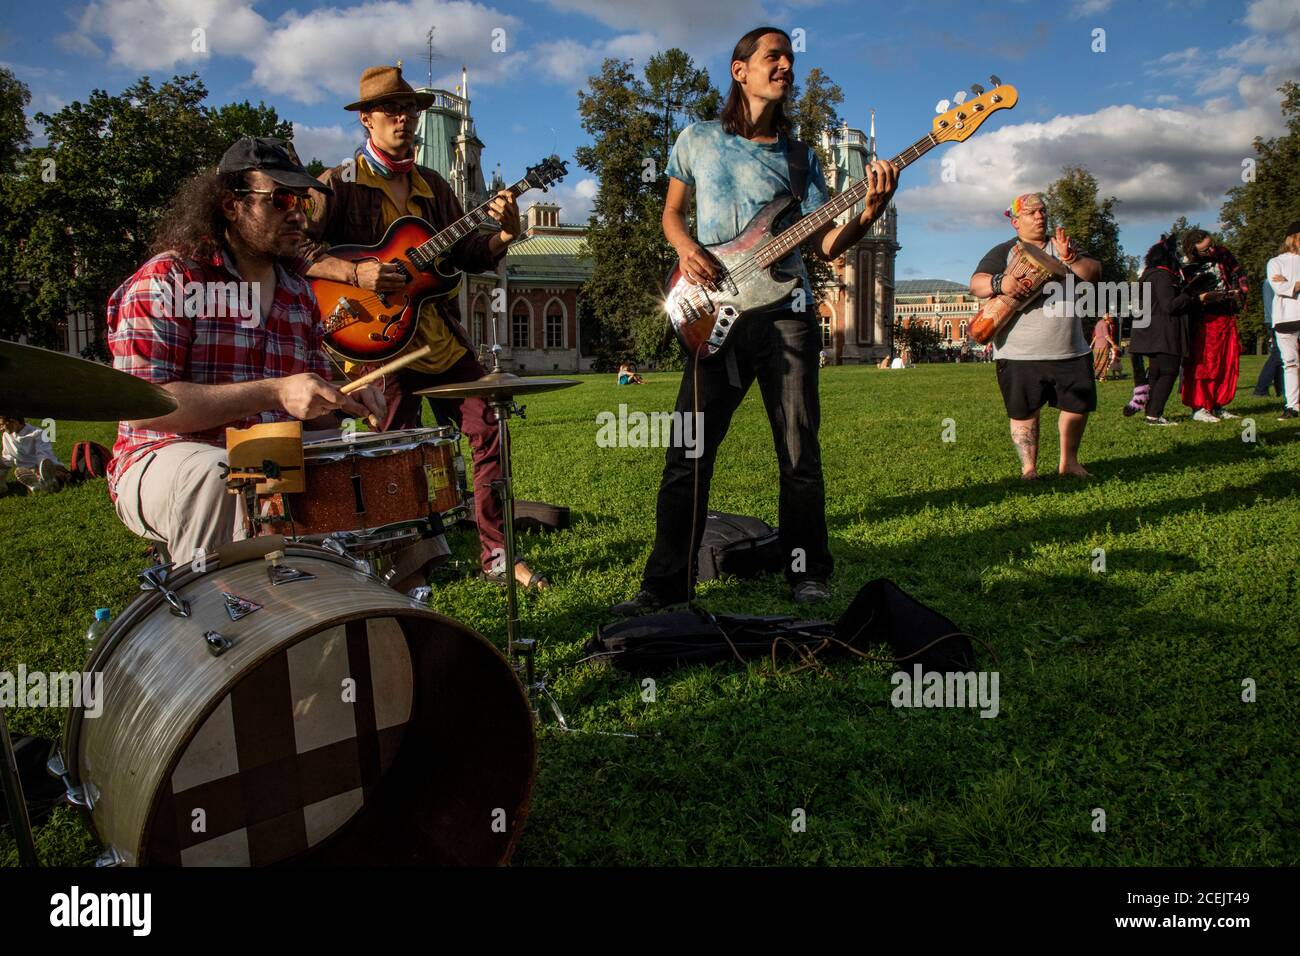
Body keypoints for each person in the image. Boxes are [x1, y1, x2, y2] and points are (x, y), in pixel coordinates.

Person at [612, 26, 898, 615]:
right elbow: (671, 213)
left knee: (798, 453)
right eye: (774, 57)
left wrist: (871, 209)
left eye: (791, 59)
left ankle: (808, 571)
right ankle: (665, 585)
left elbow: (825, 246)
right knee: (686, 454)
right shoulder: (696, 140)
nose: (786, 66)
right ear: (739, 69)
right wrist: (686, 248)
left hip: (785, 317)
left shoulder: (800, 158)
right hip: (711, 312)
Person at [303, 66, 546, 591]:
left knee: (489, 429)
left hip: (439, 340)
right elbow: (293, 247)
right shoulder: (336, 184)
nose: (403, 117)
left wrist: (504, 234)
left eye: (410, 109)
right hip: (378, 345)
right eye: (391, 109)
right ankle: (398, 569)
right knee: (393, 456)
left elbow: (468, 251)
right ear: (366, 119)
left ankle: (498, 554)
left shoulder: (432, 185)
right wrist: (355, 272)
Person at [106, 137, 386, 565]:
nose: (298, 214)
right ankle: (221, 619)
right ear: (231, 205)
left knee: (368, 467)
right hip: (163, 457)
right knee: (220, 476)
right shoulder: (170, 278)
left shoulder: (298, 294)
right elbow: (144, 404)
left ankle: (366, 612)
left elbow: (307, 406)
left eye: (303, 202)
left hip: (275, 457)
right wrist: (273, 392)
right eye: (280, 200)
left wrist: (345, 401)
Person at [970, 192, 1101, 479]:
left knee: (1077, 407)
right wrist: (1000, 282)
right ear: (1015, 222)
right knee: (1023, 412)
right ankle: (1029, 468)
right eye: (1032, 213)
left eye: (1043, 211)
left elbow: (1093, 271)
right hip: (1020, 351)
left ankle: (1069, 462)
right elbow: (976, 284)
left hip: (1069, 348)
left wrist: (1072, 258)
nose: (1040, 216)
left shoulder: (1065, 246)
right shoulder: (1004, 251)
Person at [1179, 229, 1247, 423]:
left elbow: (1239, 274)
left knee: (1226, 361)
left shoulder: (1223, 255)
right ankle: (1200, 406)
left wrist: (1238, 292)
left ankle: (1217, 404)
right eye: (1205, 248)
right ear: (1193, 248)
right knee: (1205, 363)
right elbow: (1185, 296)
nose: (1210, 250)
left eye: (1210, 245)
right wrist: (1203, 297)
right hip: (1204, 319)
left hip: (1226, 314)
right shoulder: (1187, 267)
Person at [1125, 234, 1193, 425]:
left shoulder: (1147, 276)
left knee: (1156, 372)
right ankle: (1154, 414)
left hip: (1149, 332)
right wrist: (1189, 294)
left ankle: (1151, 412)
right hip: (1164, 333)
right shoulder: (1163, 276)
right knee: (1167, 372)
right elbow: (1169, 305)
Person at [1265, 220, 1300, 420]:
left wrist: (1291, 284)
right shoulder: (1276, 262)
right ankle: (1292, 405)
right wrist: (1291, 286)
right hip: (1286, 318)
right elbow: (1279, 288)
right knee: (1290, 363)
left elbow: (1287, 286)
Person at [1, 416, 69, 494]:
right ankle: (41, 485)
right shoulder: (6, 435)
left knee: (54, 473)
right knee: (23, 473)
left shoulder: (38, 433)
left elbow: (43, 454)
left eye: (2, 425)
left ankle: (48, 481)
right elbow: (8, 456)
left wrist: (39, 470)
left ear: (14, 422)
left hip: (46, 467)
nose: (1, 428)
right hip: (27, 470)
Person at [1253, 277, 1283, 399]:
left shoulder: (1268, 281)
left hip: (1274, 320)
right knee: (1278, 354)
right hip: (1276, 320)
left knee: (1280, 356)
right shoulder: (1271, 281)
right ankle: (1261, 389)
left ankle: (1280, 389)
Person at [1090, 314, 1118, 380]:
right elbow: (1106, 336)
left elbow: (1096, 336)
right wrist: (1113, 343)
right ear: (1108, 318)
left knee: (1096, 361)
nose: (1112, 319)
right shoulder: (1105, 324)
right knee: (1103, 361)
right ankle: (1101, 377)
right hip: (1104, 345)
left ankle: (1094, 376)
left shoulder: (1098, 323)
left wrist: (1091, 344)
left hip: (1096, 346)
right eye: (1111, 318)